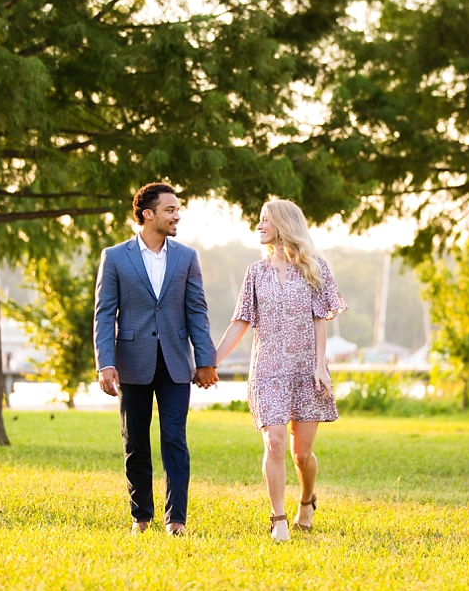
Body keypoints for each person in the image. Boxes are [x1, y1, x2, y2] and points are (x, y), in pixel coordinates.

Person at [215, 199, 347, 541]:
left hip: (306, 369)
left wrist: (320, 365)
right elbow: (240, 321)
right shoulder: (255, 273)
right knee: (273, 442)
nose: (258, 226)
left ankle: (307, 500)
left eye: (265, 220)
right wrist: (211, 360)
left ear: (284, 224)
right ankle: (278, 518)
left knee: (301, 453)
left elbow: (321, 317)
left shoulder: (314, 267)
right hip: (267, 369)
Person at [94, 182, 219, 536]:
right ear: (148, 214)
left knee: (174, 439)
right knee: (135, 441)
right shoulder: (115, 257)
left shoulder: (186, 257)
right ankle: (141, 516)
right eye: (170, 210)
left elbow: (197, 311)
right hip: (132, 361)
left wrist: (205, 359)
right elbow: (105, 314)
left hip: (176, 362)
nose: (176, 215)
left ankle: (176, 520)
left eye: (177, 209)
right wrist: (105, 362)